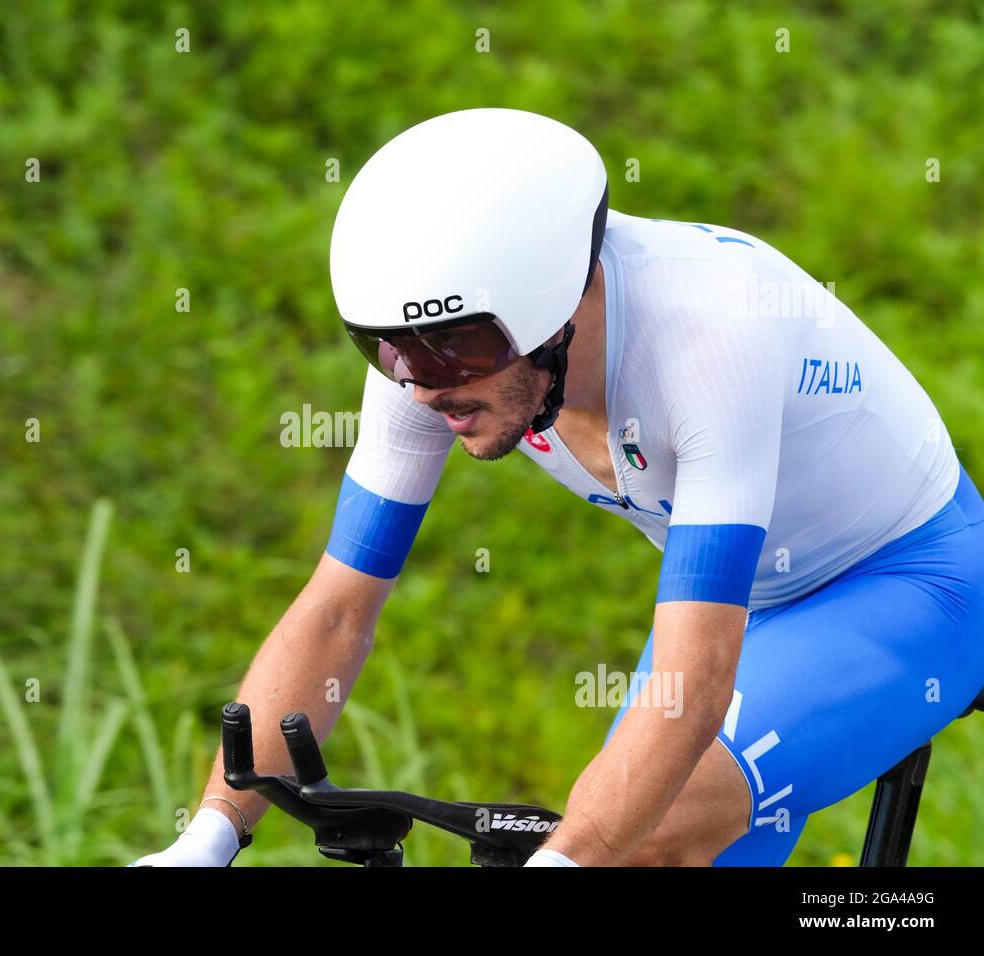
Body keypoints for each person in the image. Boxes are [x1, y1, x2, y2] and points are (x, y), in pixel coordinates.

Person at [132, 107, 984, 867]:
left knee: (636, 840)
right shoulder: (433, 357)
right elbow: (338, 606)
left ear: (552, 310)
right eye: (383, 350)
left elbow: (700, 669)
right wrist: (205, 839)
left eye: (451, 352)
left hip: (910, 578)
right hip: (749, 593)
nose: (423, 389)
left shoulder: (711, 333)